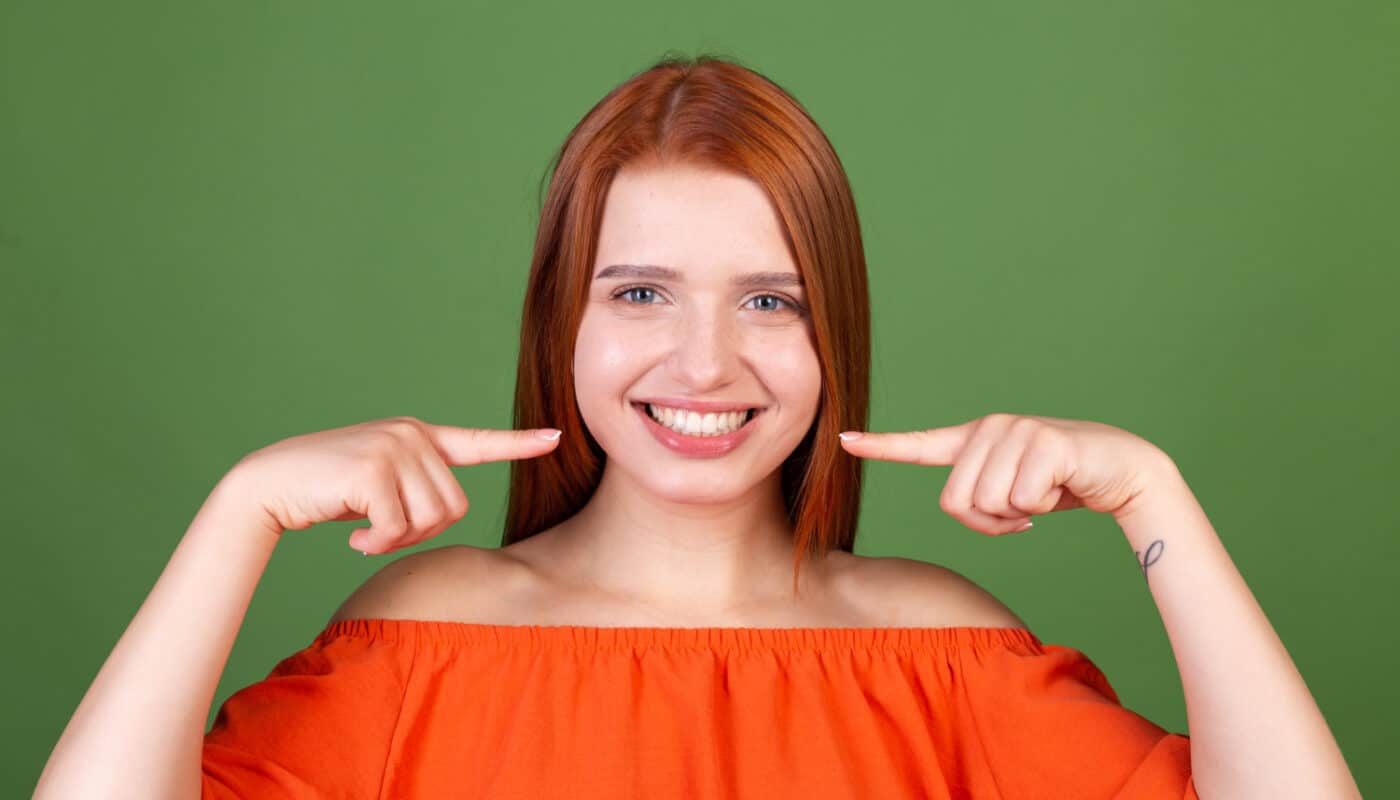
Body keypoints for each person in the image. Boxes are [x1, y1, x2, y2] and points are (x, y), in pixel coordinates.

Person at [36, 54, 1359, 799]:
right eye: (641, 293)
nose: (705, 361)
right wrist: (237, 517)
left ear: (832, 326)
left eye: (770, 299)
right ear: (564, 321)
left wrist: (1154, 496)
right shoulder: (424, 639)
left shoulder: (942, 653)